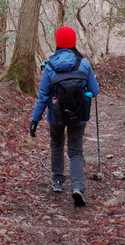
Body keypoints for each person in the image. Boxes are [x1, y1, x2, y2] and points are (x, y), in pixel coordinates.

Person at [29, 26, 100, 206]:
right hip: (79, 114)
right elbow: (94, 90)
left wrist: (35, 119)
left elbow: (43, 96)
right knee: (76, 151)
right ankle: (77, 187)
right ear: (74, 42)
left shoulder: (50, 65)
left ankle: (57, 181)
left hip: (56, 115)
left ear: (57, 42)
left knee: (57, 144)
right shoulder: (84, 64)